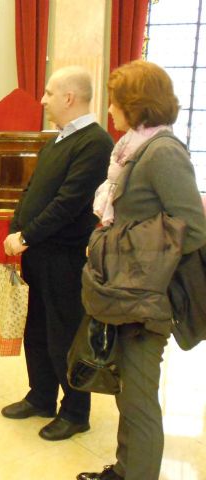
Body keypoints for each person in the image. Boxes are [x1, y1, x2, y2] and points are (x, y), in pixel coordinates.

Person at [77, 61, 206, 480]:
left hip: (148, 298)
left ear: (135, 105)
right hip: (128, 293)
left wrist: (134, 256)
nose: (110, 109)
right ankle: (125, 469)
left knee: (139, 399)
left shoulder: (164, 152)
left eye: (115, 101)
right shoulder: (135, 147)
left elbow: (194, 227)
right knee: (128, 391)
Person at [1, 66, 113, 440]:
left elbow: (68, 203)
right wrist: (15, 228)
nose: (43, 99)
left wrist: (27, 235)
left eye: (49, 93)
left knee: (64, 334)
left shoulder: (96, 143)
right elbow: (32, 190)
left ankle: (76, 410)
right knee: (37, 330)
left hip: (64, 257)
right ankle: (41, 396)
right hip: (38, 252)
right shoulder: (58, 139)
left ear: (69, 98)